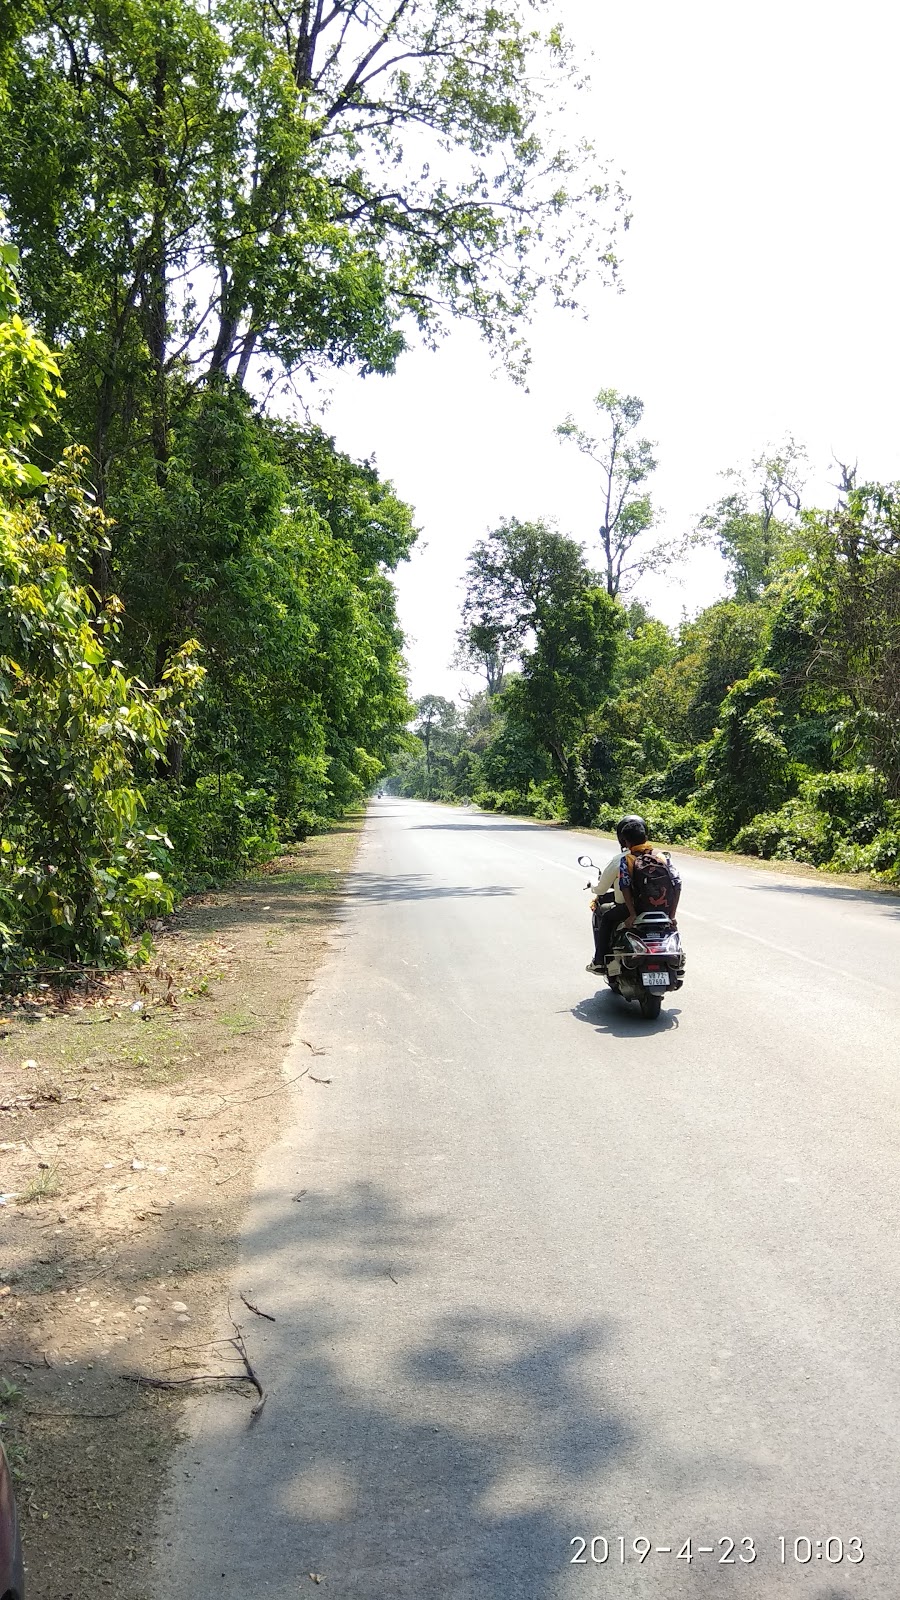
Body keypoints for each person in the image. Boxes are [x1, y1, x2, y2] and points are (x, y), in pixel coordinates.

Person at [585, 815, 640, 974]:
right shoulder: (659, 857)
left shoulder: (621, 860)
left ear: (623, 840)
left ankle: (600, 960)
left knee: (605, 915)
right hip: (654, 909)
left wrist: (592, 884)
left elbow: (602, 889)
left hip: (628, 909)